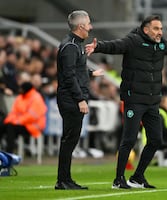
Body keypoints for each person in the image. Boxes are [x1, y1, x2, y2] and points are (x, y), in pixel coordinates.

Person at [85, 15, 167, 189]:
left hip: (152, 101)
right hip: (134, 99)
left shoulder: (161, 45)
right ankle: (118, 179)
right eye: (156, 29)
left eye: (161, 29)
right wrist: (98, 47)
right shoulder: (133, 41)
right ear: (146, 29)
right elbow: (116, 45)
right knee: (129, 139)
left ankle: (137, 177)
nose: (159, 32)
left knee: (156, 140)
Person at [55, 10, 103, 190]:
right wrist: (80, 99)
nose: (91, 26)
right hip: (70, 99)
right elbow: (68, 76)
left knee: (70, 140)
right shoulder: (70, 46)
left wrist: (91, 73)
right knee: (69, 140)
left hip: (71, 97)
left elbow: (75, 70)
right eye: (89, 23)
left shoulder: (75, 45)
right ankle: (62, 180)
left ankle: (65, 179)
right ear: (81, 26)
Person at [1, 72, 47, 153]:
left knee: (10, 127)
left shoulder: (36, 98)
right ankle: (3, 154)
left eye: (21, 89)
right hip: (22, 124)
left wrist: (16, 121)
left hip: (33, 126)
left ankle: (9, 153)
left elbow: (32, 116)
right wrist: (9, 120)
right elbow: (14, 112)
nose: (19, 90)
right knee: (3, 125)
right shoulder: (20, 98)